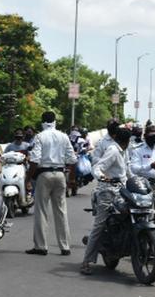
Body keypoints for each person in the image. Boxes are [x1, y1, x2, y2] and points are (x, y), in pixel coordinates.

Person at [80, 128, 132, 275]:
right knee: (99, 225)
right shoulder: (113, 151)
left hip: (121, 191)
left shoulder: (123, 151)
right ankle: (86, 262)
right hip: (107, 191)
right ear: (127, 141)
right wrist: (102, 177)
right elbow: (97, 168)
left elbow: (127, 172)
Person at [25, 111, 77, 256]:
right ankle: (65, 246)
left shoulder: (40, 137)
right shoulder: (63, 136)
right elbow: (73, 160)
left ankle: (41, 246)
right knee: (61, 211)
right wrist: (72, 179)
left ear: (42, 122)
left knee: (41, 210)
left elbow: (34, 160)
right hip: (60, 175)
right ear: (55, 121)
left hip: (44, 174)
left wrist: (28, 178)